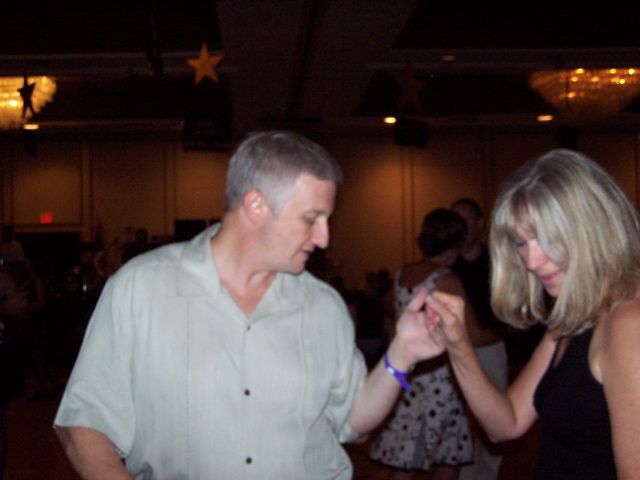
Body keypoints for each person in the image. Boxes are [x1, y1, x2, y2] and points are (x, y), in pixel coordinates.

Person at [54, 130, 443, 480]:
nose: (324, 238)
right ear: (255, 206)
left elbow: (353, 423)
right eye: (312, 219)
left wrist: (401, 355)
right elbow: (84, 421)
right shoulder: (140, 288)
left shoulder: (323, 306)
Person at [424, 149, 640, 479]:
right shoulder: (577, 311)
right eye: (521, 243)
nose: (532, 261)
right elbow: (506, 423)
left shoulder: (628, 323)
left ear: (592, 226)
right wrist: (458, 343)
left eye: (547, 239)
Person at [369, 208, 474, 480]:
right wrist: (502, 333)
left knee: (407, 452)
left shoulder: (404, 272)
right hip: (439, 378)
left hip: (408, 373)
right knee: (445, 455)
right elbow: (471, 333)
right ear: (455, 243)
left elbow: (388, 305)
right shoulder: (446, 279)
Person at [450, 198, 508, 480]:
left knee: (494, 419)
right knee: (458, 421)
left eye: (465, 219)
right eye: (455, 220)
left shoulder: (496, 260)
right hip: (455, 351)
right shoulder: (449, 263)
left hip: (491, 347)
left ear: (480, 223)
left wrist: (502, 331)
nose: (459, 227)